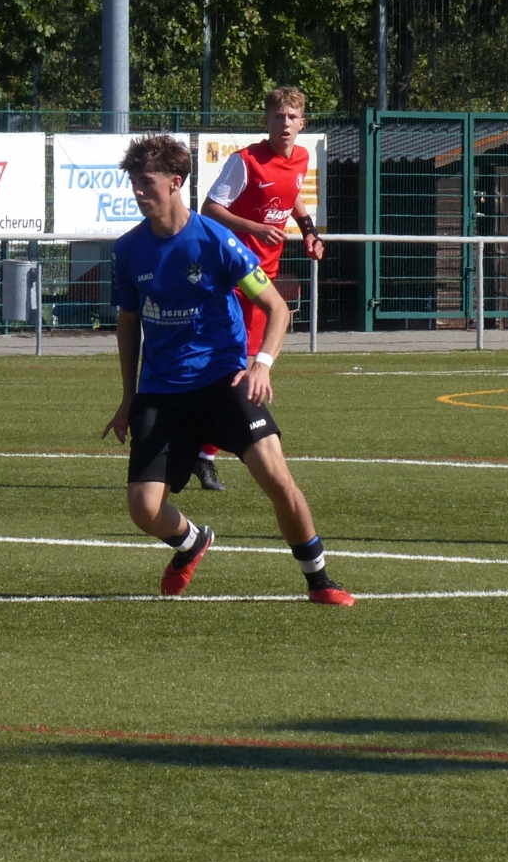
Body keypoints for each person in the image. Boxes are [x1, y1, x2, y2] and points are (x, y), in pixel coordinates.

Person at [104, 133, 353, 605]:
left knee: (277, 478)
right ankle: (191, 542)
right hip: (162, 392)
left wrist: (262, 365)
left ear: (176, 182)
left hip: (225, 382)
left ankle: (320, 580)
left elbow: (276, 308)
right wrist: (128, 396)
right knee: (143, 509)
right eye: (134, 182)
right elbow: (128, 323)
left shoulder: (216, 240)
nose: (138, 191)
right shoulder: (128, 250)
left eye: (147, 182)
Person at [191, 85, 326, 491]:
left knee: (243, 366)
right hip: (232, 280)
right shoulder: (246, 161)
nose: (285, 123)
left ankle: (201, 449)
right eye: (277, 116)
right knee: (238, 367)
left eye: (292, 117)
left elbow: (291, 196)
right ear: (265, 121)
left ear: (302, 123)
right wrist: (256, 227)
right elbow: (210, 208)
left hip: (262, 281)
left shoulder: (301, 159)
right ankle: (203, 450)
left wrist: (309, 230)